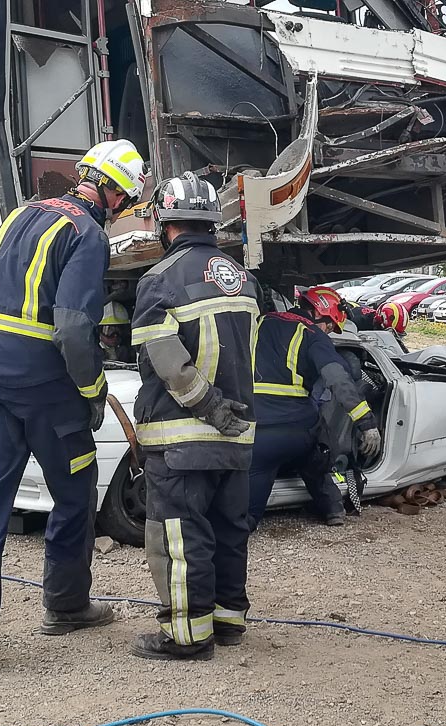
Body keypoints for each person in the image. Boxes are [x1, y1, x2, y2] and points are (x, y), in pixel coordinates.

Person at [0, 140, 147, 677]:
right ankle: (65, 605)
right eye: (125, 199)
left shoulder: (20, 215)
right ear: (112, 192)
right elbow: (75, 330)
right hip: (41, 385)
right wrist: (93, 390)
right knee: (76, 489)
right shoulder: (87, 234)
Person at [128, 171, 260, 661]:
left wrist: (210, 408)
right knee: (228, 532)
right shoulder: (245, 280)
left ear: (166, 224)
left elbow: (167, 362)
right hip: (239, 438)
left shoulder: (158, 281)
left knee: (181, 538)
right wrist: (230, 416)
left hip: (183, 437)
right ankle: (227, 623)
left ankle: (186, 637)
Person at [249, 286, 381, 530]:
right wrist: (366, 423)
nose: (329, 332)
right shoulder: (313, 335)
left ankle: (244, 523)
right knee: (316, 456)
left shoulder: (258, 323)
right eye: (330, 325)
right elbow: (338, 379)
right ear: (320, 313)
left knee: (252, 494)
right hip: (299, 430)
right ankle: (333, 509)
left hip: (257, 432)